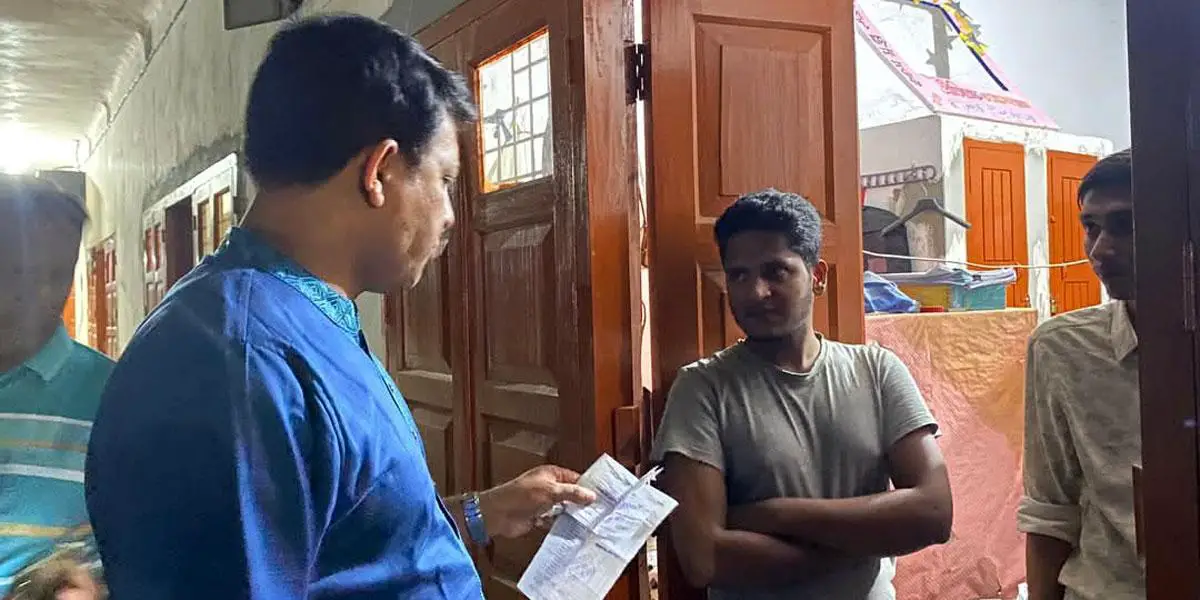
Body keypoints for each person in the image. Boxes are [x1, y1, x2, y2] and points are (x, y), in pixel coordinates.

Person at [84, 14, 595, 599]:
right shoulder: (239, 364)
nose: (451, 216)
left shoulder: (302, 317)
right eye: (445, 180)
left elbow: (345, 545)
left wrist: (481, 513)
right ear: (379, 171)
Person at [652, 189, 952, 599]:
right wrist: (867, 539)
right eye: (739, 275)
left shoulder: (877, 371)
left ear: (818, 276)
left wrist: (772, 514)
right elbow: (705, 558)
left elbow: (934, 513)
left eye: (776, 271)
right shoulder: (702, 389)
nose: (755, 292)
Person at [1019, 149, 1142, 600]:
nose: (1100, 249)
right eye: (1091, 226)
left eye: (1126, 225)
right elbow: (1050, 511)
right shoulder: (1062, 348)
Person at [0, 175, 111, 600]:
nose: (42, 294)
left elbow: (144, 543)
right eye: (16, 272)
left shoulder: (112, 396)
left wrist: (92, 588)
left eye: (58, 274)